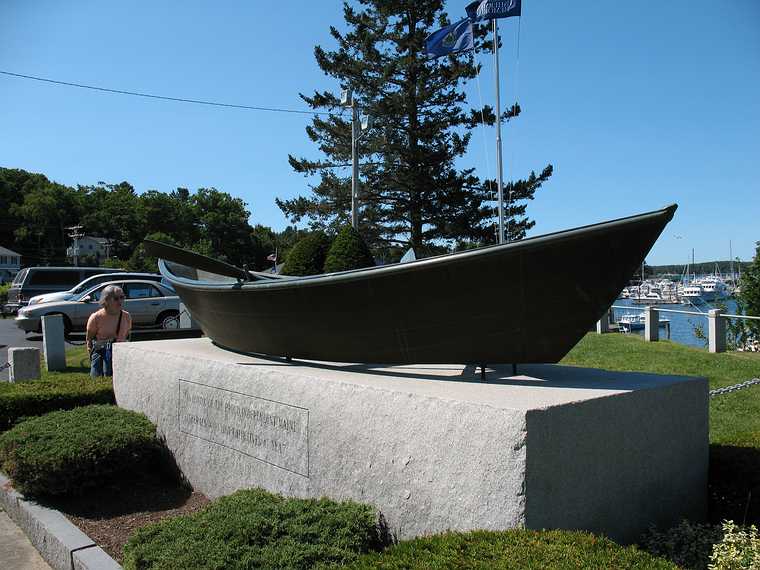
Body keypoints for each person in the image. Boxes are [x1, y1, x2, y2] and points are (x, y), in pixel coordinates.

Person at [86, 285, 132, 377]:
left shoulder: (126, 316)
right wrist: (90, 351)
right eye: (116, 298)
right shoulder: (96, 317)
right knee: (97, 378)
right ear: (106, 300)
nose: (120, 301)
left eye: (122, 297)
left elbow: (126, 333)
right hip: (100, 353)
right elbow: (89, 338)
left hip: (120, 353)